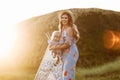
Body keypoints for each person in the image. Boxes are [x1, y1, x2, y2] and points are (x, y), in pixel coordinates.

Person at [49, 10, 80, 80]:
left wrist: (55, 47)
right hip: (65, 53)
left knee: (67, 73)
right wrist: (53, 44)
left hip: (71, 52)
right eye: (62, 18)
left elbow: (68, 44)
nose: (64, 19)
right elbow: (61, 41)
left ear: (69, 19)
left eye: (65, 18)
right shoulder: (62, 28)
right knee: (63, 73)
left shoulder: (70, 29)